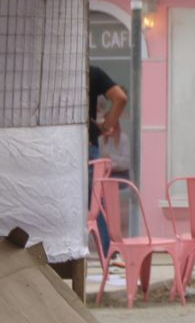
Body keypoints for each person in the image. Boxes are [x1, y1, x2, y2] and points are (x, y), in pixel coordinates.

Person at [88, 65, 127, 256]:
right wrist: (106, 125)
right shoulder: (92, 73)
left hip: (57, 146)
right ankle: (108, 255)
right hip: (86, 147)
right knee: (96, 204)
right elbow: (120, 98)